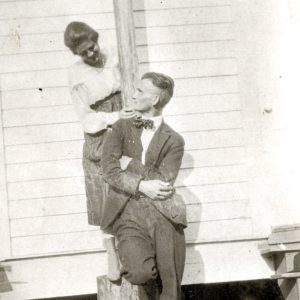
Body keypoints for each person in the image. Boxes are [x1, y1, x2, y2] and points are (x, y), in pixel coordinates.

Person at [101, 72, 187, 299]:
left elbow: (164, 180)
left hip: (164, 215)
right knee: (140, 273)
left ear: (155, 100)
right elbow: (108, 170)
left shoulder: (174, 140)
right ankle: (115, 249)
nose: (133, 95)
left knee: (170, 286)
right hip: (127, 213)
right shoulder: (120, 128)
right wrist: (141, 186)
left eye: (140, 91)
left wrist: (131, 164)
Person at [64, 21, 136, 281]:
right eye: (85, 53)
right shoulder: (77, 76)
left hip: (126, 123)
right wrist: (114, 117)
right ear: (77, 54)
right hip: (100, 130)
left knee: (131, 184)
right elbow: (86, 117)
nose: (91, 55)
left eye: (92, 48)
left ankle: (133, 251)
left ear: (96, 40)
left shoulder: (114, 55)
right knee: (105, 191)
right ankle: (111, 254)